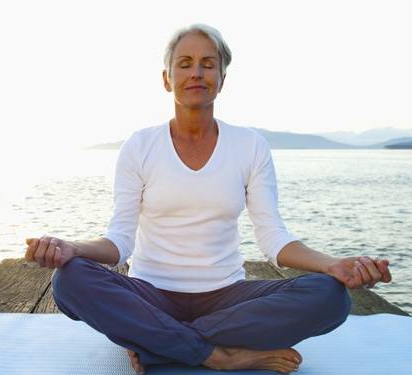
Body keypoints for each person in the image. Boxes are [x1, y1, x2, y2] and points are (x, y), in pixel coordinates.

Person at [24, 23, 392, 374]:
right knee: (69, 280)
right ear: (167, 79)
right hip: (150, 293)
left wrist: (333, 265)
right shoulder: (140, 145)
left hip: (226, 297)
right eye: (184, 64)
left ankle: (157, 342)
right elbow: (120, 242)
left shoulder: (250, 145)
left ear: (222, 80)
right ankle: (218, 355)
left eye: (208, 64)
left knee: (330, 296)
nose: (196, 73)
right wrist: (70, 247)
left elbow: (273, 240)